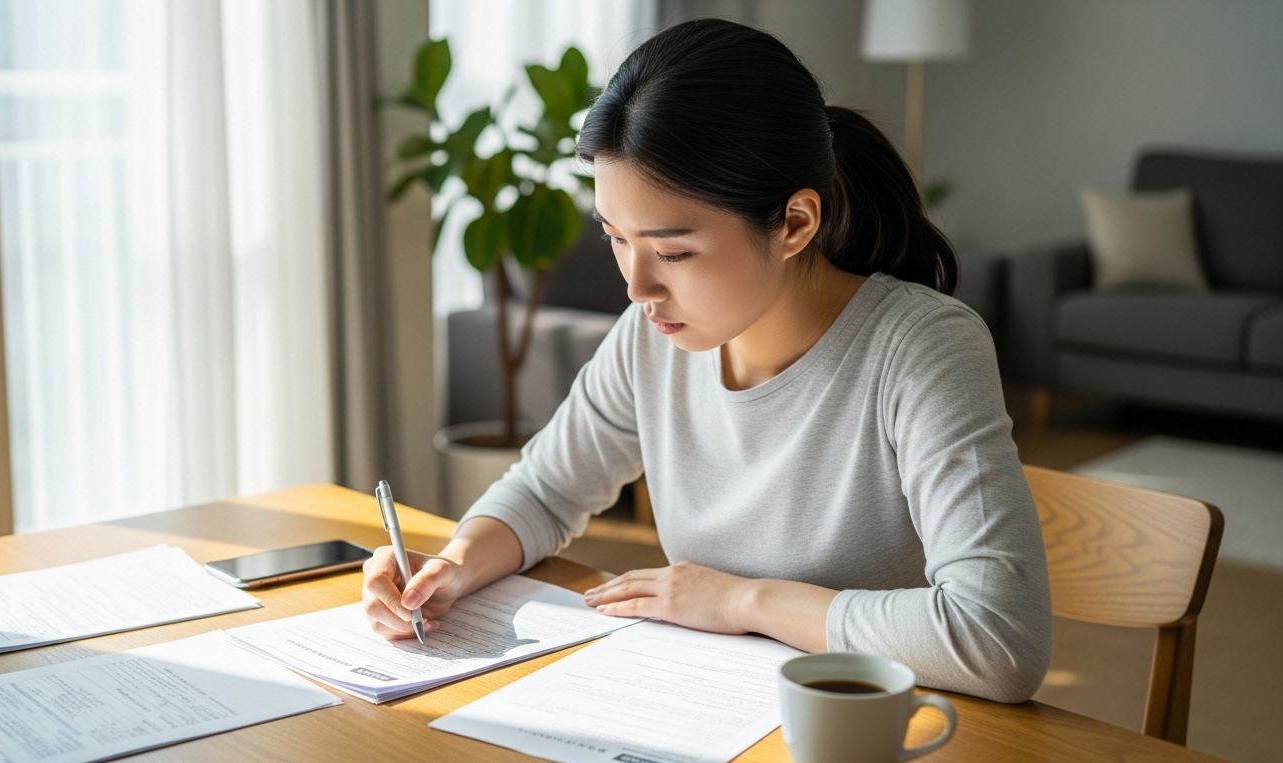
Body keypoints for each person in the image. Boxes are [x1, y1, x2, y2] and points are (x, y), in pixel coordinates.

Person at [362, 18, 1052, 703]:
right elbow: (546, 492)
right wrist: (453, 567)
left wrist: (744, 602)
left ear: (794, 224)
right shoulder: (652, 335)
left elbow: (995, 637)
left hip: (864, 731)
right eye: (615, 238)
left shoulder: (921, 349)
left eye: (672, 252)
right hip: (707, 706)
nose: (637, 289)